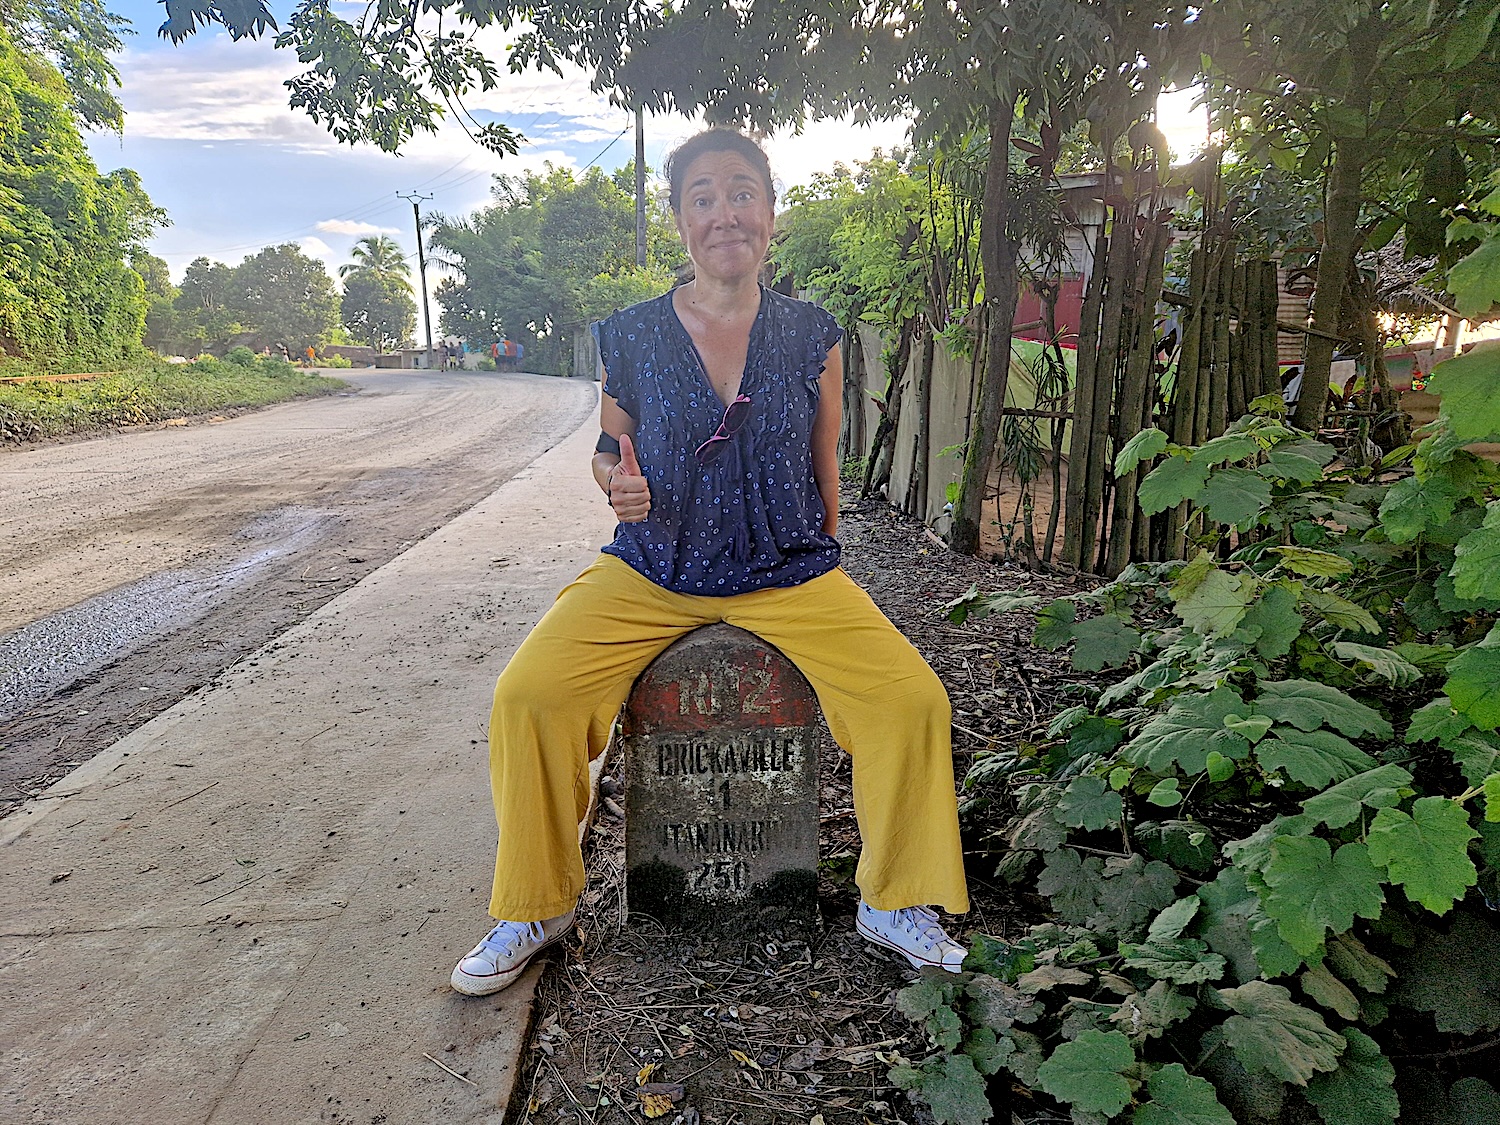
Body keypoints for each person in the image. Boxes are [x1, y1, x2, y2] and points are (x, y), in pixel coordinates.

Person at [450, 129, 970, 998]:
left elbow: (825, 456)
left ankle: (896, 899)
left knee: (911, 702)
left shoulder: (812, 334)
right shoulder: (634, 334)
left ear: (770, 212)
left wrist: (828, 558)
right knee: (528, 696)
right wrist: (616, 482)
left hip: (787, 568)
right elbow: (608, 449)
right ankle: (538, 902)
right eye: (701, 196)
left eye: (740, 192)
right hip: (653, 569)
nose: (723, 212)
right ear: (680, 221)